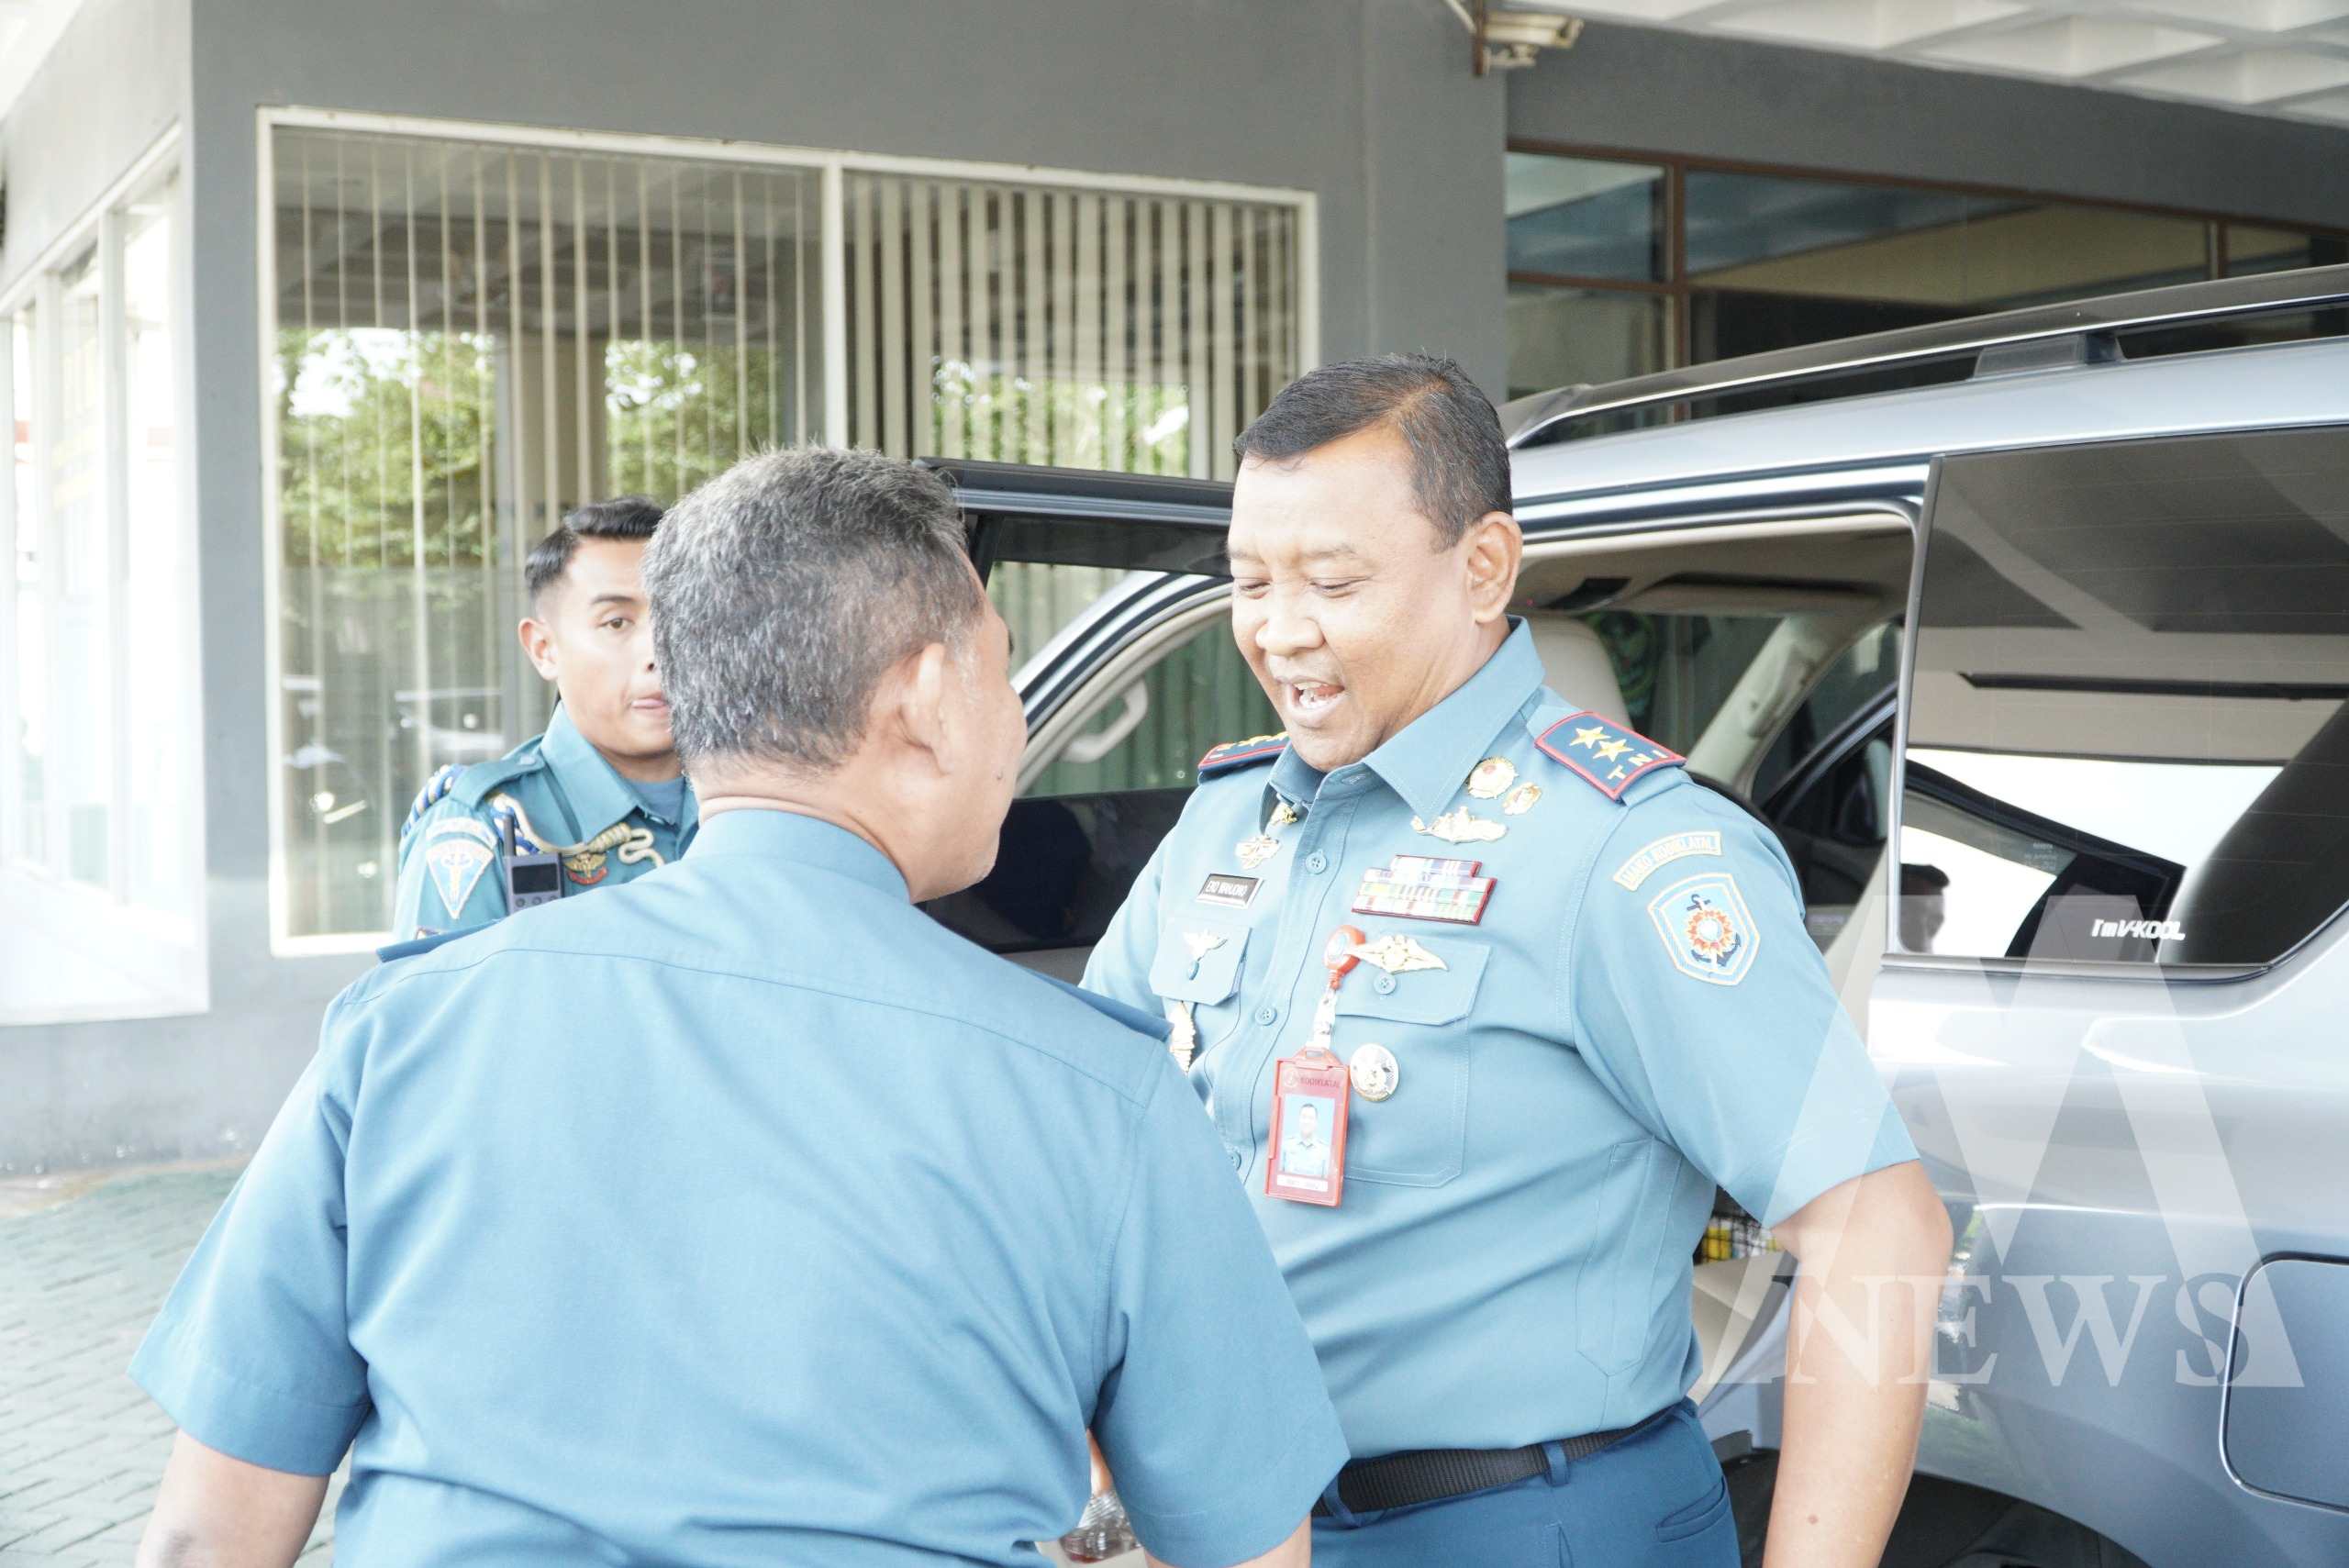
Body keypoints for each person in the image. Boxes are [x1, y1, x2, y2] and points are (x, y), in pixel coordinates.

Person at [129, 449, 1343, 1568]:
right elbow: (1249, 1548)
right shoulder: (1104, 1098)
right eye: (1003, 666)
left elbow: (208, 1533)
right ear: (924, 696)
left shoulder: (398, 1034)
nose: (1018, 722)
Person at [1084, 355, 1954, 1566]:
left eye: (1332, 582)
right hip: (1239, 1530)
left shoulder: (1626, 851)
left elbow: (1880, 1232)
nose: (1281, 632)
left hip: (1522, 1524)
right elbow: (1089, 1139)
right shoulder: (1227, 824)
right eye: (1249, 583)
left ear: (1485, 567)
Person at [389, 495, 696, 945]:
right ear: (543, 649)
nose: (658, 654)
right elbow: (442, 1013)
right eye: (616, 623)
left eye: (680, 617)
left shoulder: (767, 798)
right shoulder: (485, 828)